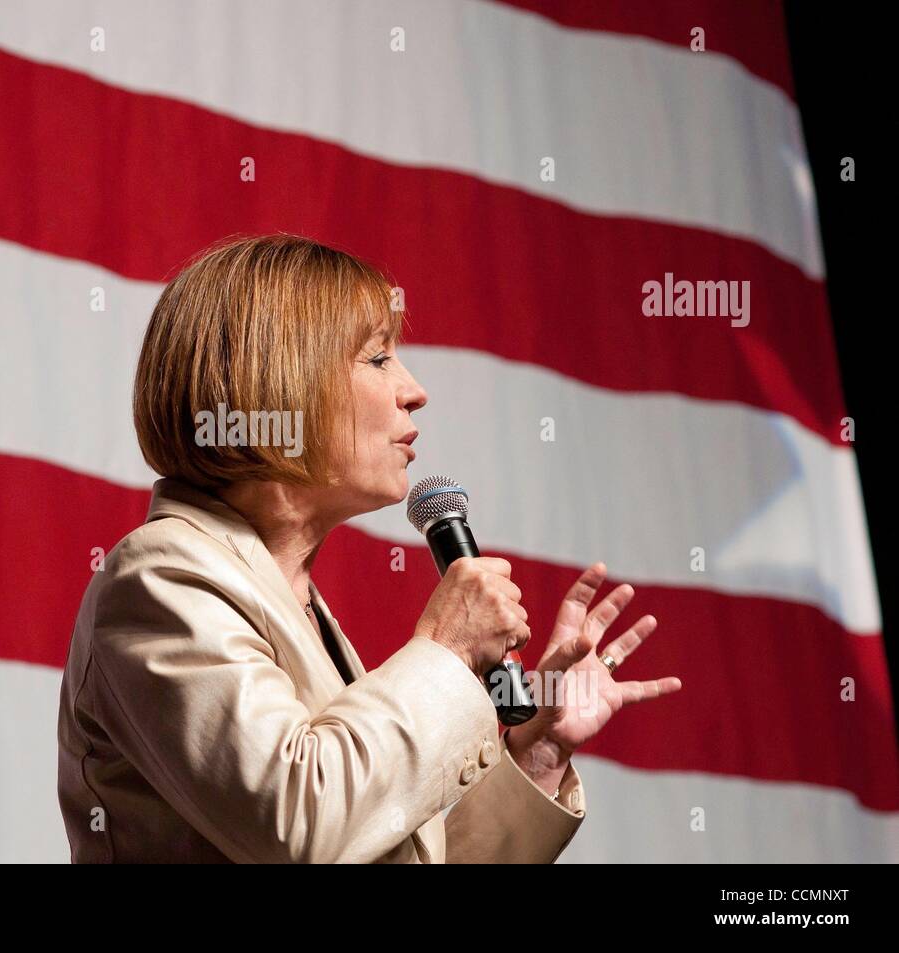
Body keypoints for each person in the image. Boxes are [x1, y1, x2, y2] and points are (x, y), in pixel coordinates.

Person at [56, 233, 682, 863]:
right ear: (278, 380)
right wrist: (447, 650)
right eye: (379, 358)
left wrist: (539, 752)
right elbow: (299, 827)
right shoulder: (161, 578)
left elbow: (357, 844)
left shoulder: (291, 602)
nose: (415, 390)